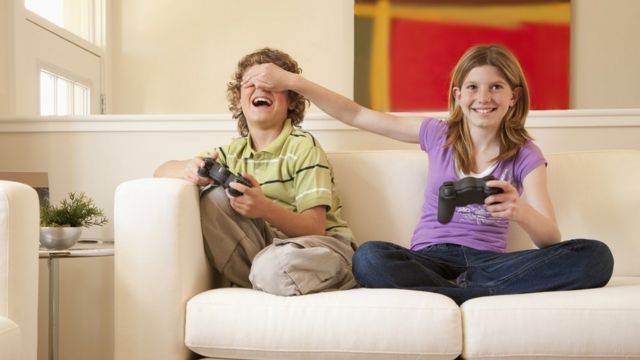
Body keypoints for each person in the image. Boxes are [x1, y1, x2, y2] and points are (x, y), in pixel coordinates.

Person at [240, 44, 614, 304]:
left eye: (496, 87)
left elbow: (551, 237)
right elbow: (357, 115)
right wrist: (293, 82)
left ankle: (461, 292)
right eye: (472, 87)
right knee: (369, 258)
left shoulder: (525, 153)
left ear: (513, 97)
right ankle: (478, 295)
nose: (483, 97)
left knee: (596, 256)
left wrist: (520, 210)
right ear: (457, 95)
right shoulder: (438, 135)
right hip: (430, 259)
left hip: (488, 263)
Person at [154, 48, 356, 296]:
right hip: (267, 252)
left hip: (318, 246)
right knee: (214, 198)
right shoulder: (233, 153)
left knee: (274, 266)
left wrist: (265, 209)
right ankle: (269, 278)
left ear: (291, 100)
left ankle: (330, 273)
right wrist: (190, 168)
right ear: (238, 99)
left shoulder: (303, 146)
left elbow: (314, 227)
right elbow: (161, 170)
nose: (260, 89)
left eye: (271, 83)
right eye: (250, 83)